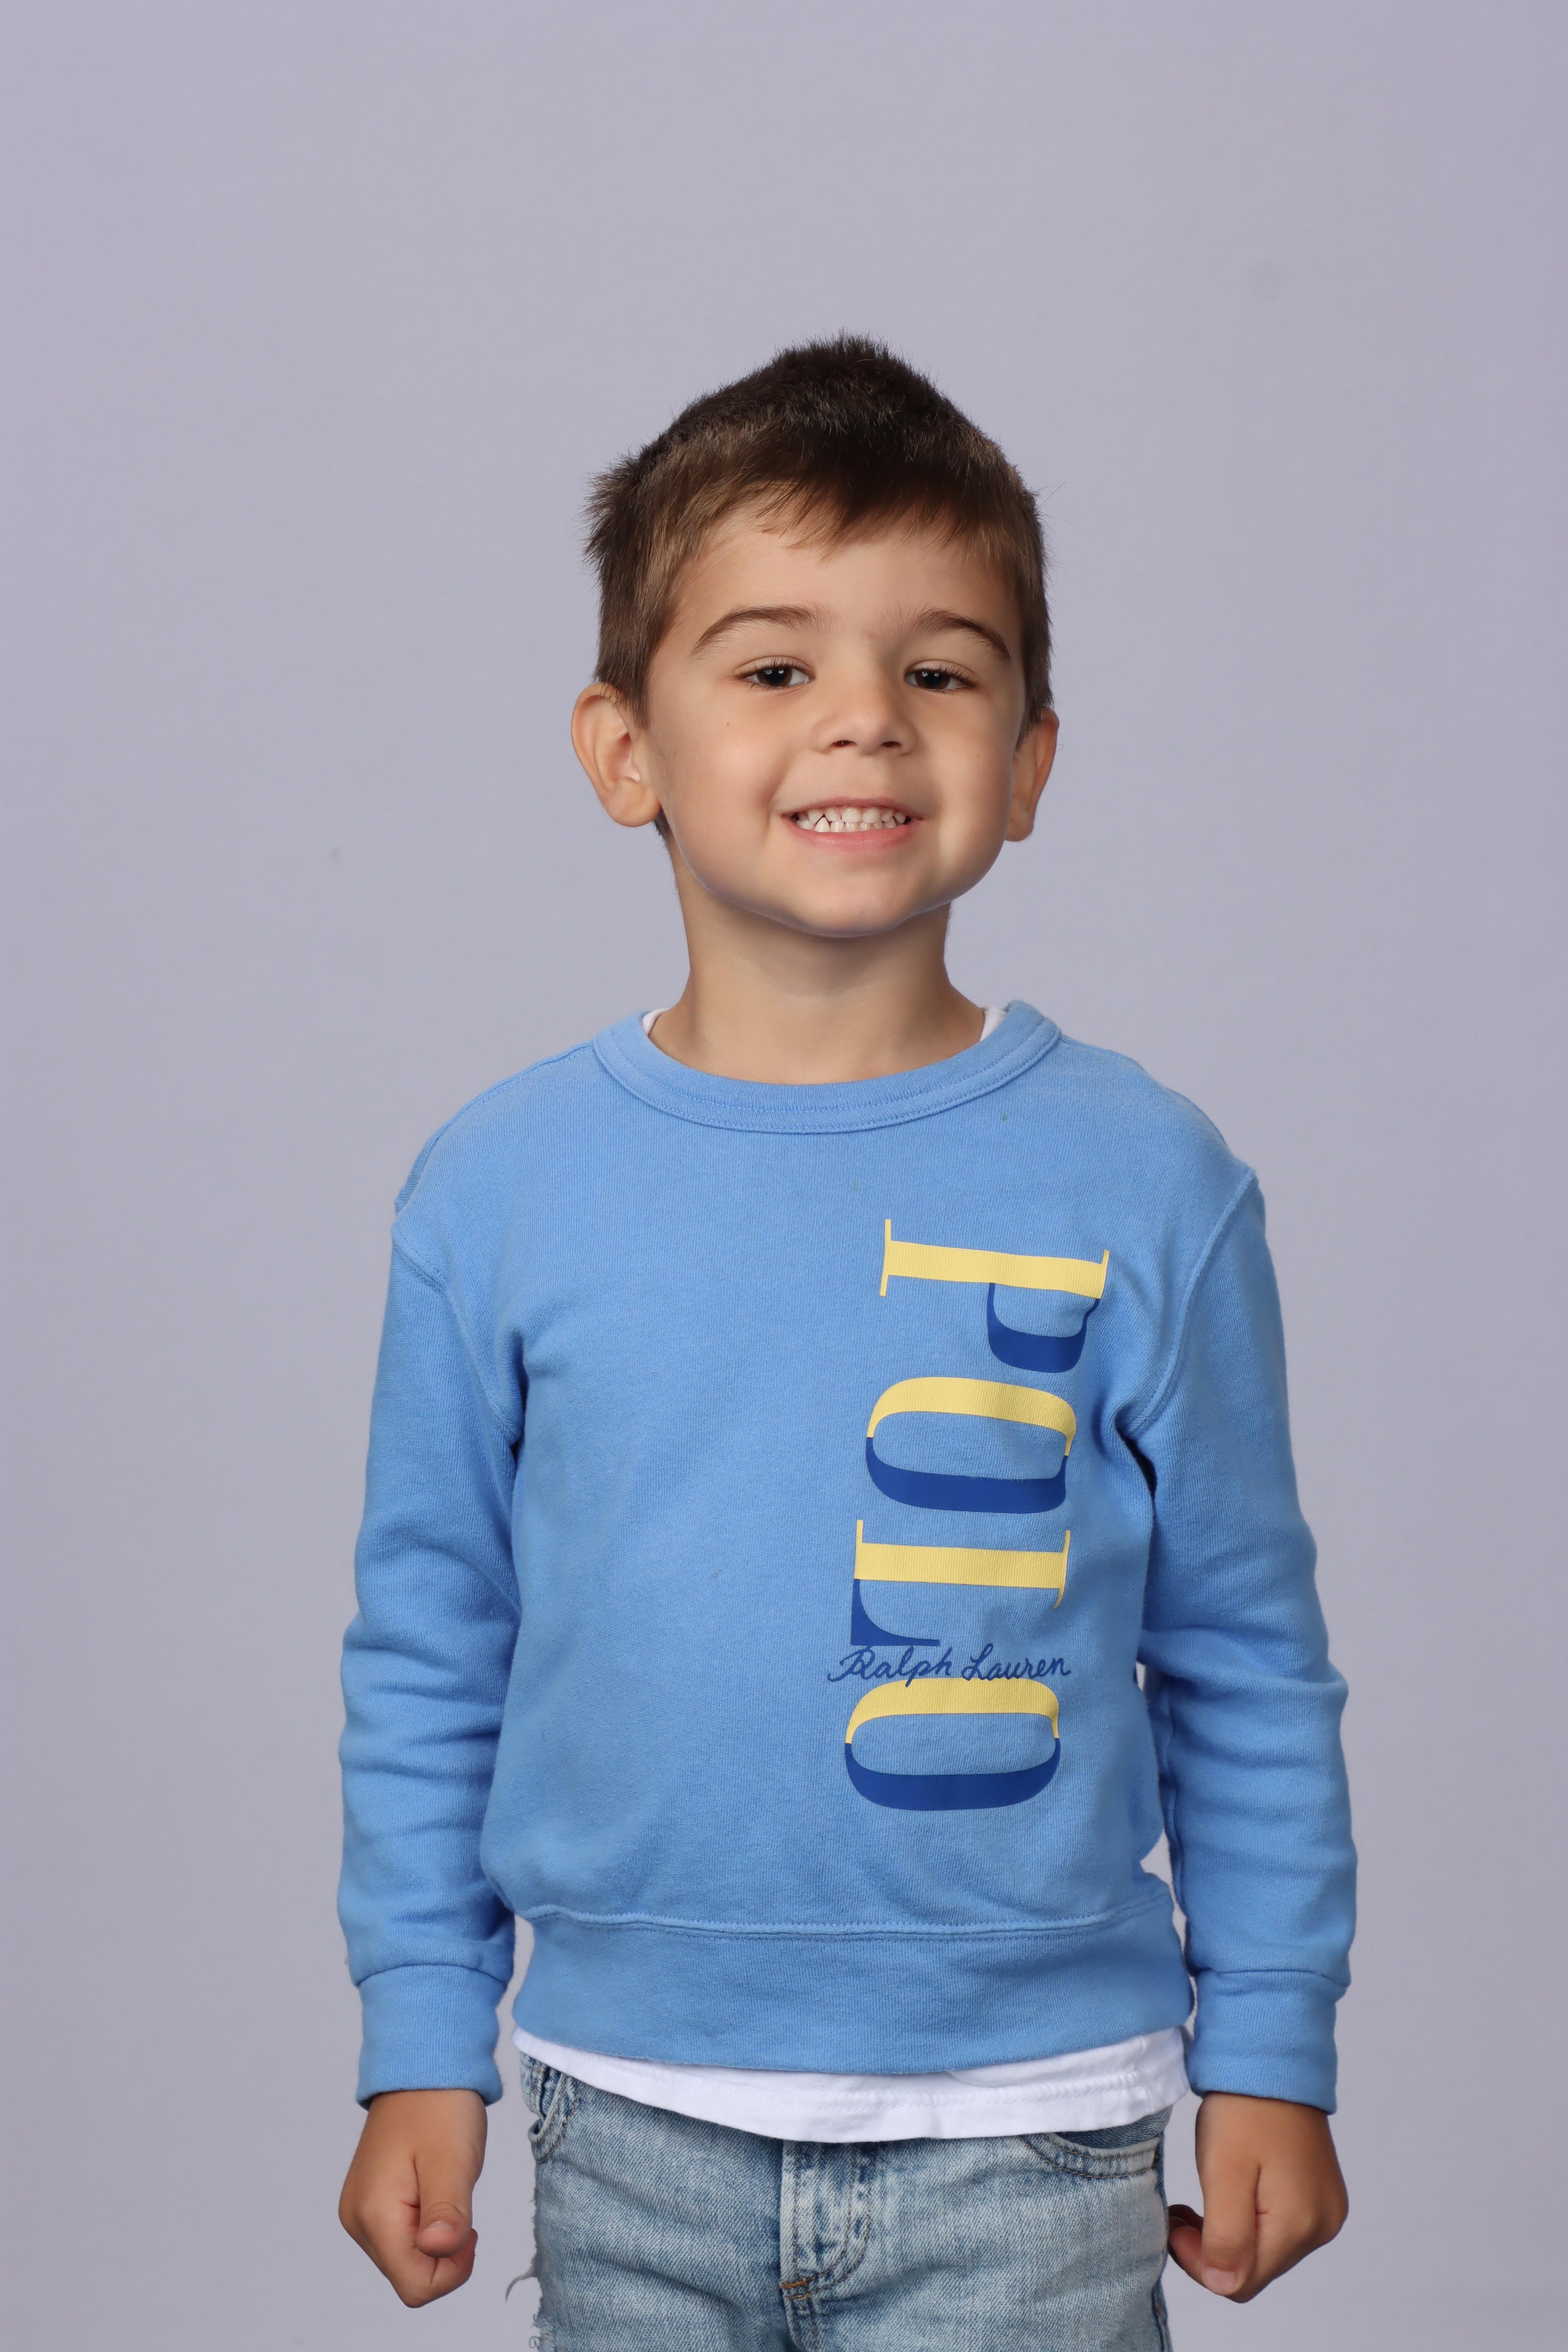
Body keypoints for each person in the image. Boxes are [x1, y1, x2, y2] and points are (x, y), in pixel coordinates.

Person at [336, 337, 1354, 2347]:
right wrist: (417, 2037)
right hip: (625, 2115)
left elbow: (1243, 1656)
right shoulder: (498, 1188)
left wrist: (1272, 2046)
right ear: (625, 748)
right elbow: (431, 1644)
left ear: (1029, 761)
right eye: (776, 665)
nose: (864, 718)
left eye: (941, 671)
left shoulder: (1148, 1181)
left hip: (1032, 2137)